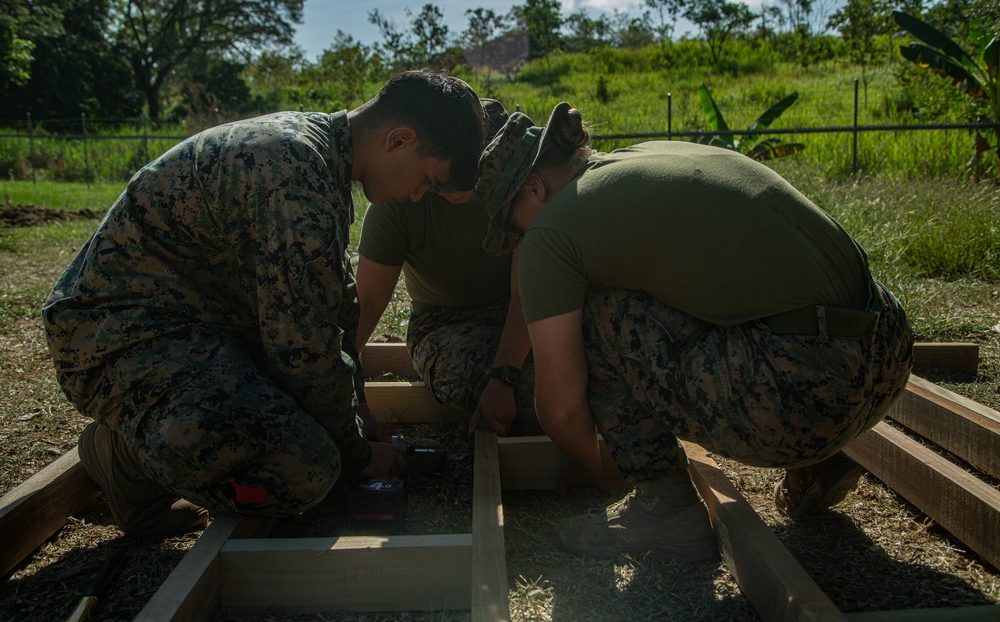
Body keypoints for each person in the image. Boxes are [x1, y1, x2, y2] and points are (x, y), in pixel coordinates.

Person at [41, 70, 487, 537]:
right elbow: (301, 350)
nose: (417, 195)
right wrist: (356, 456)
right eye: (425, 179)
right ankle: (127, 460)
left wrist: (360, 412)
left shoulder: (319, 158)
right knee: (306, 470)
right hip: (112, 338)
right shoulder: (294, 178)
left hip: (184, 323)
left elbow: (332, 313)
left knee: (313, 429)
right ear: (400, 140)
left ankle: (152, 437)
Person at [473, 103, 914, 561]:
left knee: (591, 313)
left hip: (802, 398)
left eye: (512, 227)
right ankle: (818, 458)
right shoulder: (645, 157)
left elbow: (561, 407)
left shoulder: (553, 230)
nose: (521, 240)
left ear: (533, 188)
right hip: (887, 354)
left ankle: (666, 506)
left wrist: (588, 466)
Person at [355, 99, 541, 440]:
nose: (451, 185)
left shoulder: (521, 191)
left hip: (528, 314)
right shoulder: (403, 200)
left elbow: (525, 294)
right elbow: (366, 303)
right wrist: (347, 394)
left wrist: (504, 376)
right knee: (539, 395)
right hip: (446, 324)